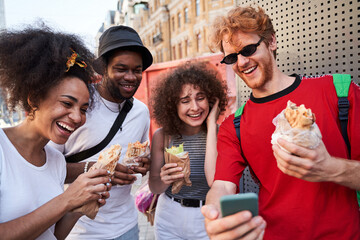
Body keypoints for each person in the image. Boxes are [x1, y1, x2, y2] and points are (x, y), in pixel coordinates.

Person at [201, 5, 360, 240]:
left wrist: (330, 168)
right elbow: (222, 186)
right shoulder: (234, 126)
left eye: (249, 49)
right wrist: (215, 216)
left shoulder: (340, 92)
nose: (242, 62)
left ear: (271, 41)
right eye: (232, 57)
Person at [0, 26, 111, 239]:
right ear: (34, 98)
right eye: (67, 103)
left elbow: (52, 234)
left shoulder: (56, 161)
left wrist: (77, 209)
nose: (77, 117)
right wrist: (67, 200)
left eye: (83, 109)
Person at [49, 25, 153, 240]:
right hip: (80, 231)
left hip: (127, 226)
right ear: (104, 68)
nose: (131, 77)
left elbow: (140, 156)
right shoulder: (77, 105)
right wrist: (97, 169)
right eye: (121, 69)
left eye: (137, 70)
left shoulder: (141, 112)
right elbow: (47, 166)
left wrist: (145, 164)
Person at [149, 62, 228, 239]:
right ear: (172, 106)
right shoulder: (162, 136)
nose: (195, 107)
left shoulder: (221, 134)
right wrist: (164, 180)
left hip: (206, 214)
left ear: (211, 99)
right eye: (185, 101)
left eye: (200, 98)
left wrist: (211, 125)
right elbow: (154, 186)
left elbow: (214, 181)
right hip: (169, 214)